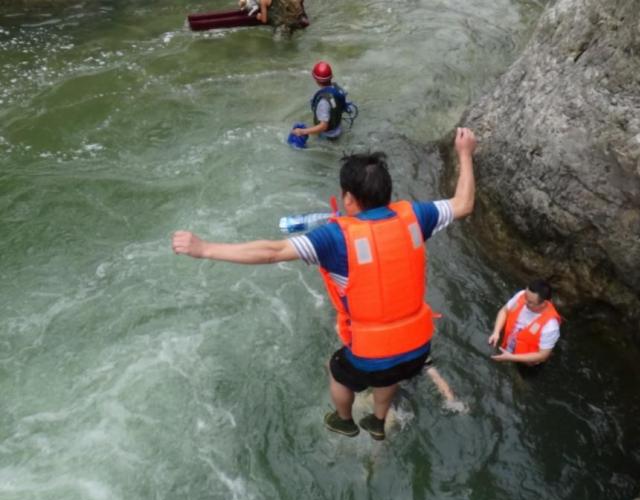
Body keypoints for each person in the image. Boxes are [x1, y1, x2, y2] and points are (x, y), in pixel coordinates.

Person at [172, 127, 477, 440]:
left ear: (348, 197)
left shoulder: (334, 239)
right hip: (416, 350)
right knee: (390, 373)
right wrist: (465, 153)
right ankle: (378, 420)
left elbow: (271, 252)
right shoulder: (417, 216)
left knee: (338, 370)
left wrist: (205, 248)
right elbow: (464, 203)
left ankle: (344, 421)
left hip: (370, 356)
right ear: (387, 192)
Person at [488, 280, 562, 369]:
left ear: (544, 303)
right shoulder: (522, 295)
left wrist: (511, 357)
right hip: (506, 346)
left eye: (530, 302)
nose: (525, 302)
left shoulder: (550, 326)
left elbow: (543, 355)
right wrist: (496, 332)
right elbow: (504, 311)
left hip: (525, 363)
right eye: (525, 297)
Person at [291, 61, 351, 141]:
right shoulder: (337, 89)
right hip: (338, 129)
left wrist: (302, 132)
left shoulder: (323, 102)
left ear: (316, 80)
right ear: (331, 76)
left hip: (328, 137)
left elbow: (323, 126)